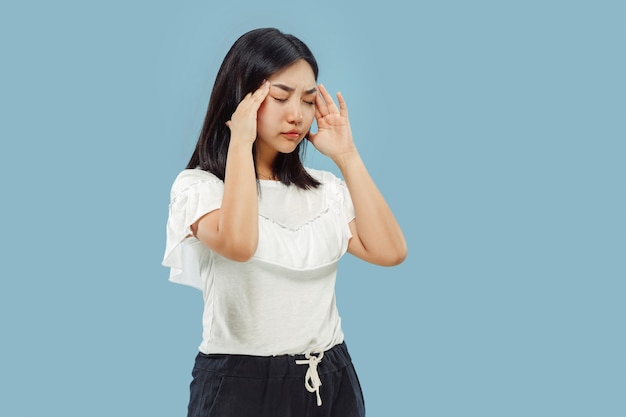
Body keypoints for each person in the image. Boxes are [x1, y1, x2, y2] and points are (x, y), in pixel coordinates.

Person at [162, 27, 407, 417]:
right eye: (279, 97)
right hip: (241, 384)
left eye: (309, 100)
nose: (297, 114)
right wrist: (240, 142)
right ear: (241, 99)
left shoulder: (325, 191)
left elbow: (391, 251)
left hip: (331, 377)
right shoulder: (199, 189)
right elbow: (240, 245)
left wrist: (348, 156)